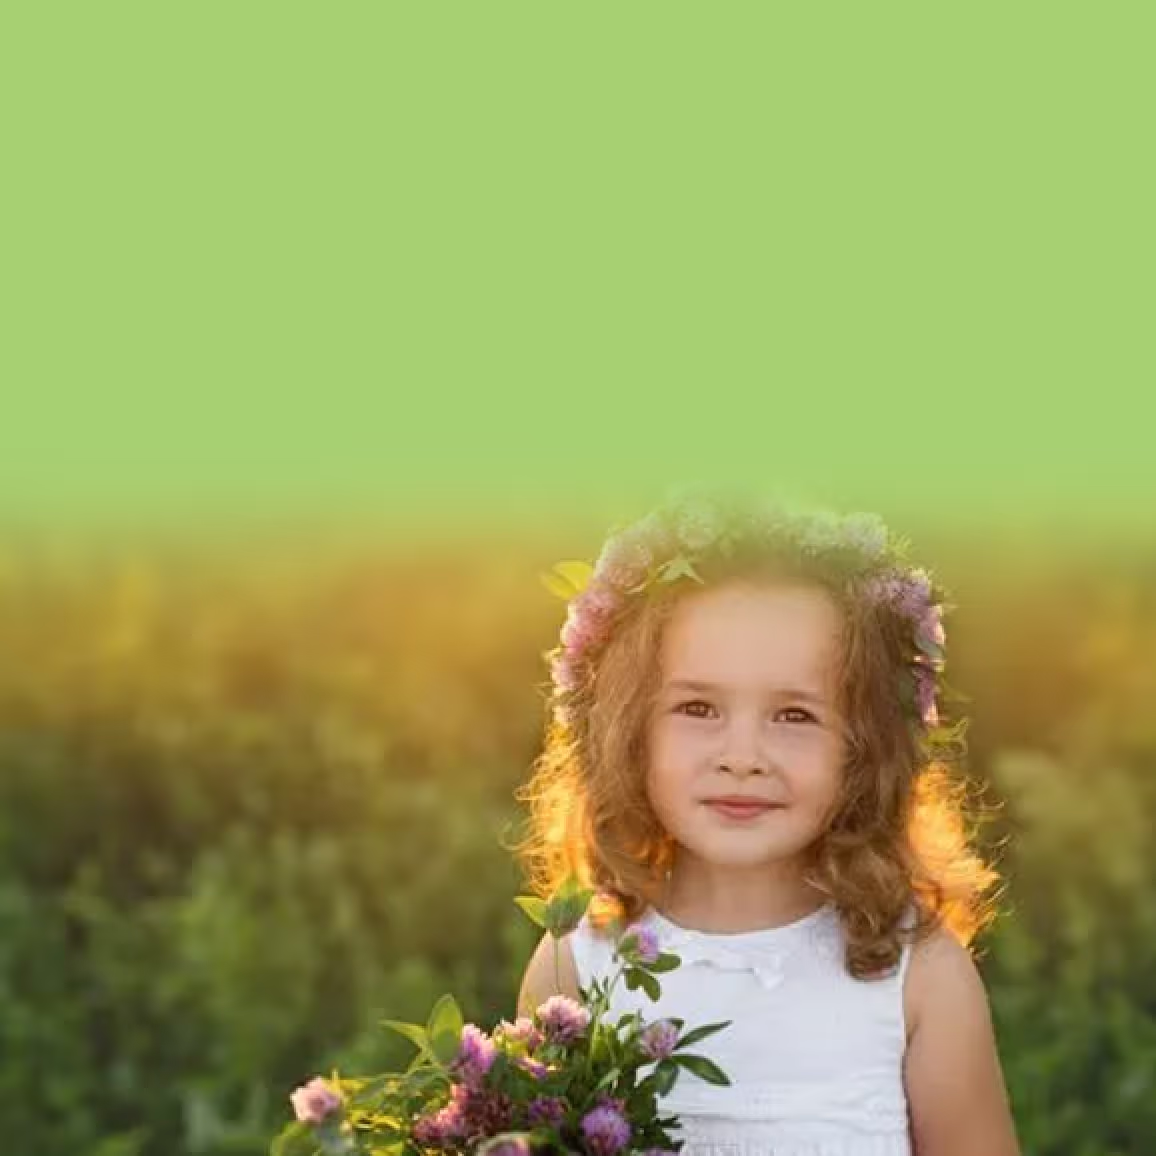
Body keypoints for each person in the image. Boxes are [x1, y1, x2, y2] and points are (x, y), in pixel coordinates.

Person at [513, 484, 1021, 1156]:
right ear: (629, 730)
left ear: (862, 746)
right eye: (698, 709)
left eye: (794, 715)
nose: (743, 757)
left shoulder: (917, 975)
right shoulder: (576, 967)